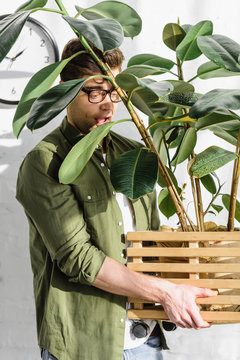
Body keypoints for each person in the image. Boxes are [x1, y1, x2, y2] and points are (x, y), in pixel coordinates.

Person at [16, 38, 217, 360]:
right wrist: (167, 294)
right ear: (63, 87)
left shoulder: (134, 154)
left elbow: (148, 242)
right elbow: (78, 259)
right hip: (85, 345)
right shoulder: (46, 161)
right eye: (94, 92)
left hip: (147, 339)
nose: (108, 105)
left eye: (113, 92)